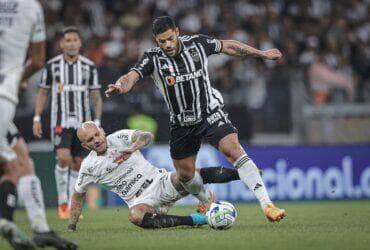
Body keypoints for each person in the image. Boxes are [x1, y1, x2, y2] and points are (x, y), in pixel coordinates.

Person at [105, 16, 285, 221]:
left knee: (233, 149)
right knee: (185, 175)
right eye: (162, 41)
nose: (168, 44)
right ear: (156, 40)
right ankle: (207, 200)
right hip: (181, 123)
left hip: (208, 113)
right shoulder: (152, 58)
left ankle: (267, 205)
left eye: (170, 38)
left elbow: (229, 46)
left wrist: (262, 54)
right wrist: (121, 86)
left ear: (177, 32)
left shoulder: (197, 44)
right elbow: (132, 76)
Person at [0, 0, 77, 249]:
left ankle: (40, 229)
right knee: (12, 165)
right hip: (3, 95)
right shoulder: (31, 8)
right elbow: (36, 61)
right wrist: (18, 79)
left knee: (21, 159)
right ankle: (6, 222)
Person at [68, 122, 240, 230]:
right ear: (85, 146)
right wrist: (71, 225)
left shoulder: (118, 138)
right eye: (90, 140)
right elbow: (78, 194)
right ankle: (197, 220)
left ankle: (243, 174)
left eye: (96, 134)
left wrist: (134, 146)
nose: (96, 140)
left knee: (185, 174)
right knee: (135, 216)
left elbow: (146, 136)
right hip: (142, 201)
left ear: (102, 131)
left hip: (160, 182)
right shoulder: (88, 166)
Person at [33, 26, 103, 220]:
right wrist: (37, 117)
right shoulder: (52, 66)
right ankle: (62, 203)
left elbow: (96, 96)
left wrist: (96, 122)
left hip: (83, 126)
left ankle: (72, 204)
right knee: (63, 158)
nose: (71, 43)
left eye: (75, 40)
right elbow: (43, 92)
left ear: (80, 43)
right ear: (62, 44)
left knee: (78, 164)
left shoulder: (89, 67)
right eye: (68, 40)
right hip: (60, 122)